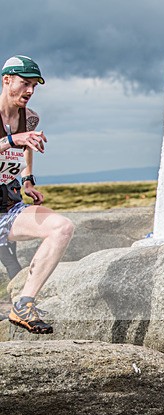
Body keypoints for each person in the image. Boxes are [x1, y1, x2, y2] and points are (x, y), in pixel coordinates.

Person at [0, 55, 74, 334]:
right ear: (7, 80)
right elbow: (18, 142)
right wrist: (11, 140)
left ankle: (23, 305)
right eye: (25, 83)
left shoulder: (30, 118)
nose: (30, 90)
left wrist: (28, 180)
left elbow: (27, 146)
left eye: (34, 86)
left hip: (7, 206)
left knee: (62, 227)